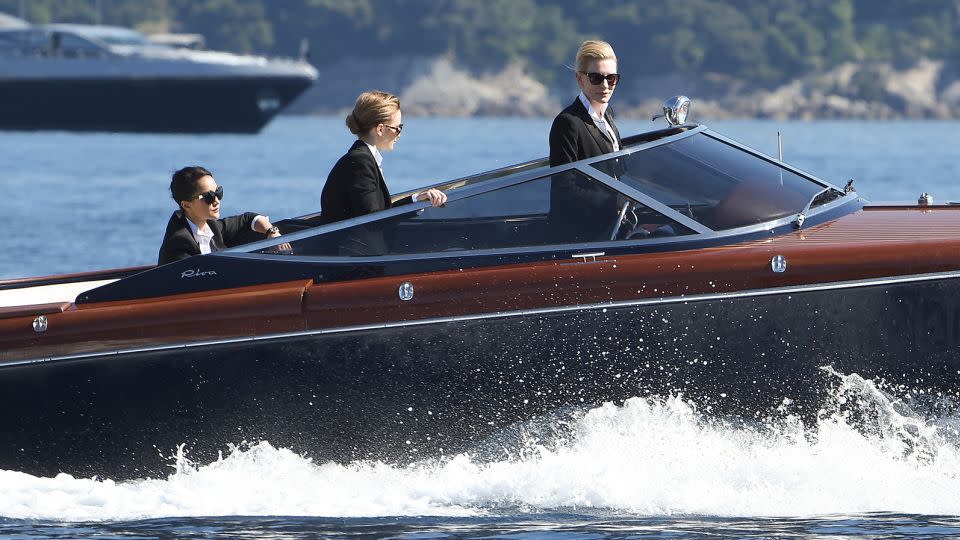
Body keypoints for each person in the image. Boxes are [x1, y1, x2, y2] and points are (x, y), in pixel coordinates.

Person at [319, 90, 446, 225]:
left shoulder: (362, 158)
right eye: (398, 128)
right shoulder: (360, 161)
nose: (399, 134)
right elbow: (372, 220)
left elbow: (378, 213)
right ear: (380, 129)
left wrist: (417, 200)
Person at [158, 165, 282, 265]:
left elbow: (249, 219)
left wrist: (272, 232)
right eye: (208, 197)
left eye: (218, 192)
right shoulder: (179, 244)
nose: (216, 200)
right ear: (186, 205)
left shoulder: (211, 226)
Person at [549, 40, 622, 166]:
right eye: (596, 78)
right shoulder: (567, 123)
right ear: (580, 79)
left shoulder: (607, 114)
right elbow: (563, 183)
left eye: (611, 78)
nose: (605, 85)